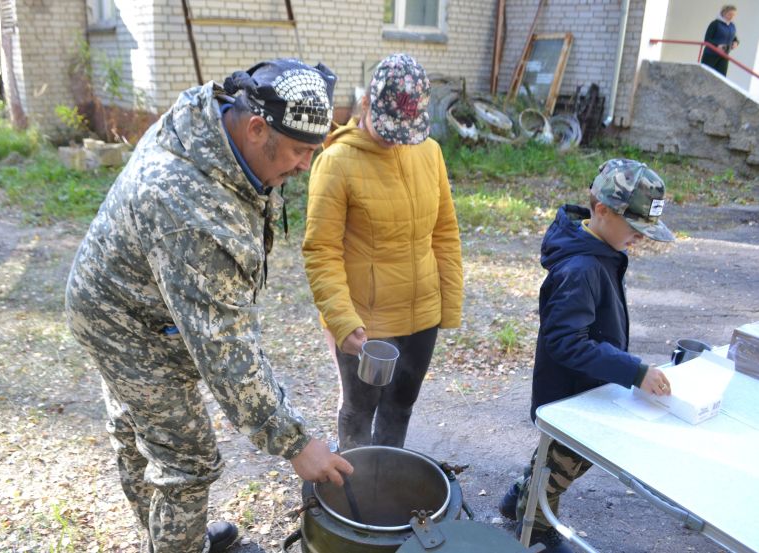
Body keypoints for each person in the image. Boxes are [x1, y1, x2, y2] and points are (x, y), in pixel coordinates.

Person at [65, 58, 353, 553]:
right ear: (258, 127)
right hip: (125, 321)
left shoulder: (214, 124)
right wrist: (295, 443)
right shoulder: (190, 207)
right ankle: (177, 543)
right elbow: (226, 351)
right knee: (187, 459)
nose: (306, 165)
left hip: (134, 296)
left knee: (141, 428)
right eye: (300, 151)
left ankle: (173, 536)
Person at [497, 159, 675, 553]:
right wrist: (631, 369)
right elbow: (565, 342)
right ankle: (537, 526)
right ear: (602, 211)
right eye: (636, 229)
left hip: (587, 384)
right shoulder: (580, 268)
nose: (641, 240)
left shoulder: (600, 249)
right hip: (569, 393)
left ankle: (518, 498)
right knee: (565, 462)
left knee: (559, 457)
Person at [301, 53, 463, 451]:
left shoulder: (430, 152)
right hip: (367, 323)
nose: (396, 139)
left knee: (401, 407)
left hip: (421, 314)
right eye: (390, 128)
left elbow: (444, 232)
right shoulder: (336, 163)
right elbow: (321, 251)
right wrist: (341, 319)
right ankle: (354, 493)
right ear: (367, 104)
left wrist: (449, 304)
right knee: (360, 410)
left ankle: (387, 477)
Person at [701, 5, 740, 76]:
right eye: (730, 14)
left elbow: (734, 38)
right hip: (711, 55)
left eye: (734, 15)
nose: (732, 17)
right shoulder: (715, 24)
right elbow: (707, 40)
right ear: (724, 13)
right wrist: (717, 46)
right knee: (705, 75)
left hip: (724, 56)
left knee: (721, 77)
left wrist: (736, 42)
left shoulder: (732, 26)